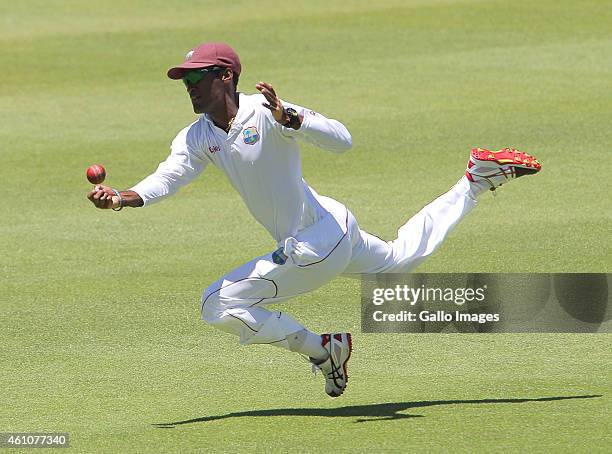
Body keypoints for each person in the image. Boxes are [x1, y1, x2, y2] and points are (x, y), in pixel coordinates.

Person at [87, 42, 541, 397]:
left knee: (217, 305)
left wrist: (293, 118)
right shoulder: (197, 136)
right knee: (400, 259)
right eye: (185, 81)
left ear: (226, 76)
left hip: (314, 243)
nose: (189, 87)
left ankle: (324, 350)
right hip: (332, 228)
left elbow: (342, 140)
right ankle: (475, 182)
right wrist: (121, 198)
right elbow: (167, 178)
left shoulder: (268, 113)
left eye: (197, 78)